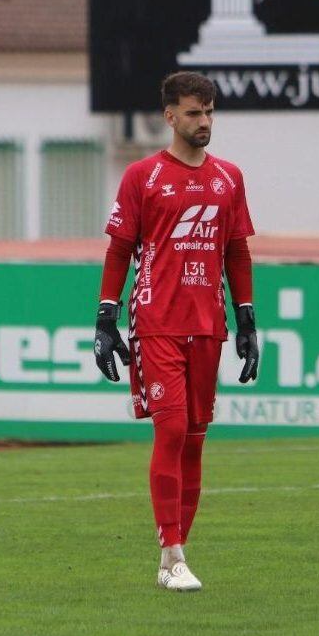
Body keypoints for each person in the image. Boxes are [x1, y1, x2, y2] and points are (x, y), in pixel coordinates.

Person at [94, 72, 260, 592]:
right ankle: (173, 551)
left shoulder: (229, 177)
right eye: (193, 112)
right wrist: (106, 318)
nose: (204, 121)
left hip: (208, 324)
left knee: (194, 440)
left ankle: (172, 561)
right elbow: (119, 249)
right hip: (156, 321)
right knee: (170, 429)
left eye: (209, 112)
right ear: (170, 117)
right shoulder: (142, 176)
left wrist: (247, 319)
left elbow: (237, 251)